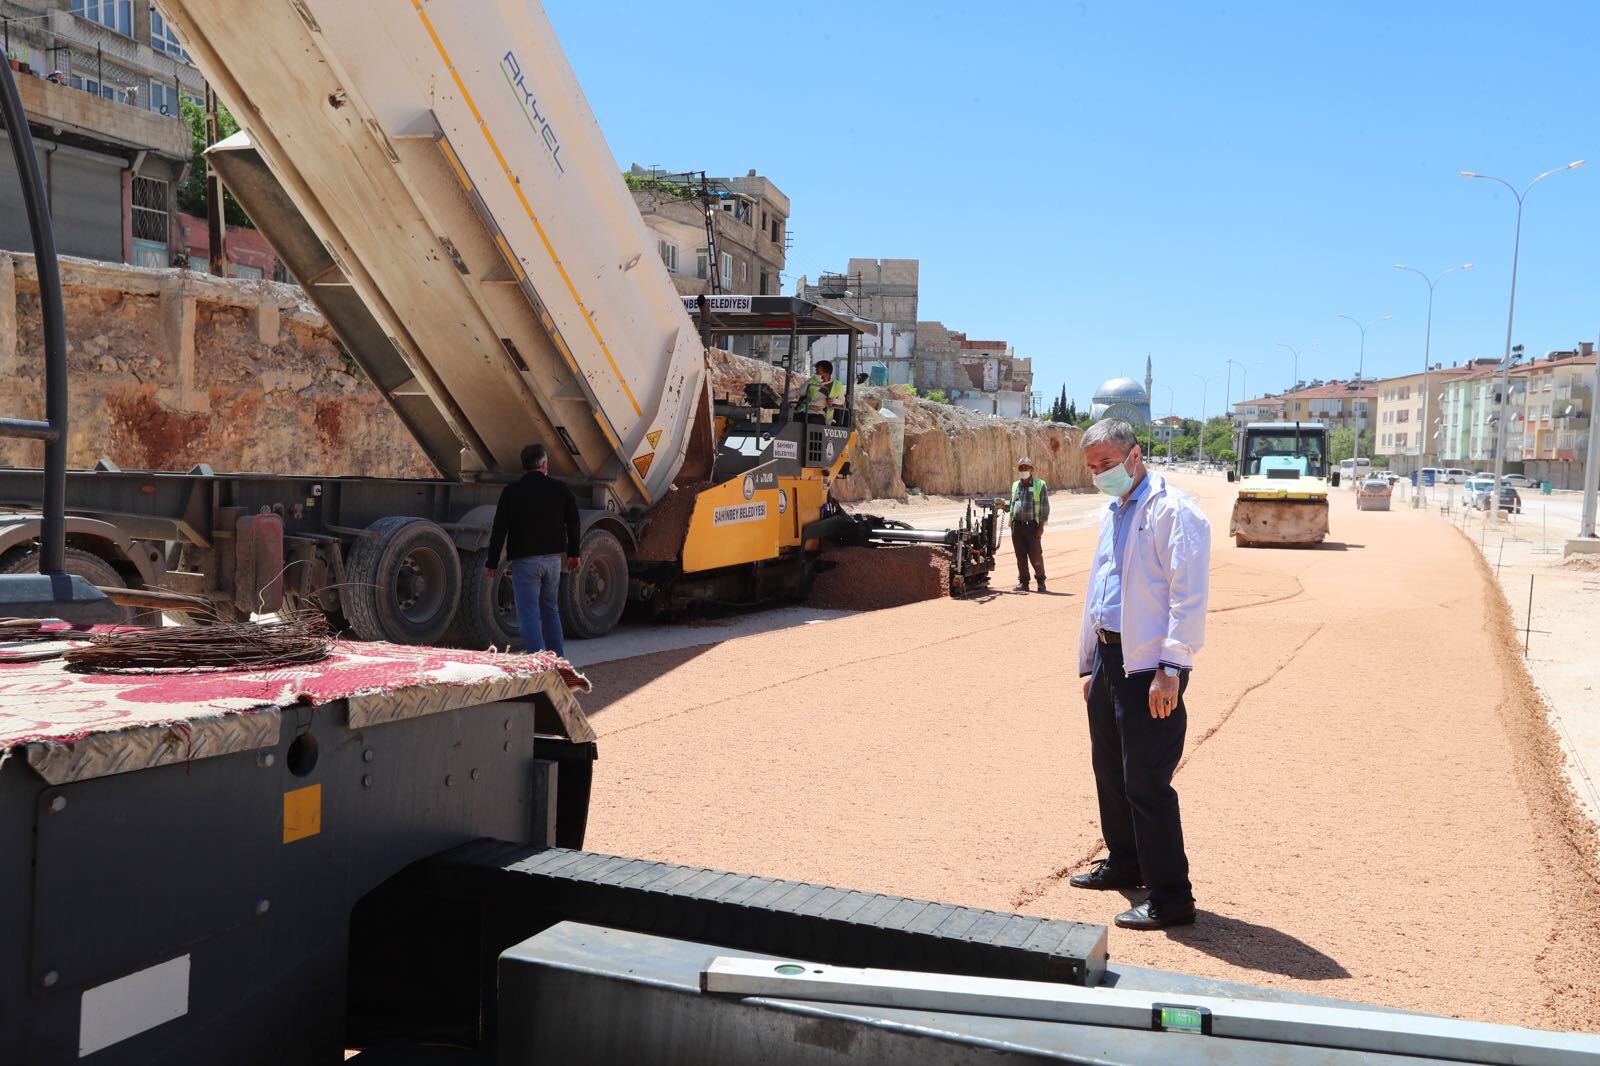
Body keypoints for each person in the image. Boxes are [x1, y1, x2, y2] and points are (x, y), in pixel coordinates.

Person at [1070, 418, 1210, 930]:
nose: (1100, 474)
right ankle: (1126, 862)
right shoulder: (1115, 510)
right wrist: (1090, 664)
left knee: (1146, 780)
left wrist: (1172, 667)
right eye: (1092, 467)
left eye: (1106, 463)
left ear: (1135, 455)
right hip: (1110, 661)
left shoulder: (1174, 510)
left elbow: (1188, 595)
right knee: (1109, 771)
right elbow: (1101, 590)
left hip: (1151, 665)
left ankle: (1173, 897)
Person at [485, 443, 581, 656]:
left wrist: (492, 562)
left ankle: (537, 662)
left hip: (525, 563)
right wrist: (574, 553)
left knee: (528, 613)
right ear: (545, 464)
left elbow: (499, 528)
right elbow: (573, 522)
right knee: (551, 611)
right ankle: (557, 660)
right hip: (553, 561)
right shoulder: (560, 489)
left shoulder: (511, 492)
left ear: (524, 466)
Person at [1002, 457, 1049, 592]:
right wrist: (1002, 505)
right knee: (1020, 555)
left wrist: (1041, 527)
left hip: (1032, 526)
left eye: (1026, 467)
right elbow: (1012, 503)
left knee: (1035, 555)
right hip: (1017, 526)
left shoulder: (1040, 484)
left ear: (1031, 469)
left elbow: (1045, 506)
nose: (1023, 470)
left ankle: (1041, 581)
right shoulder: (1015, 485)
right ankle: (1024, 582)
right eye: (1021, 468)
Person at [801, 360, 845, 425]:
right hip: (806, 410)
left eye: (818, 372)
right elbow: (800, 391)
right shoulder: (812, 381)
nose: (816, 374)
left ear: (826, 373)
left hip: (820, 414)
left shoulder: (837, 385)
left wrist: (833, 401)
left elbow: (841, 401)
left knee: (812, 420)